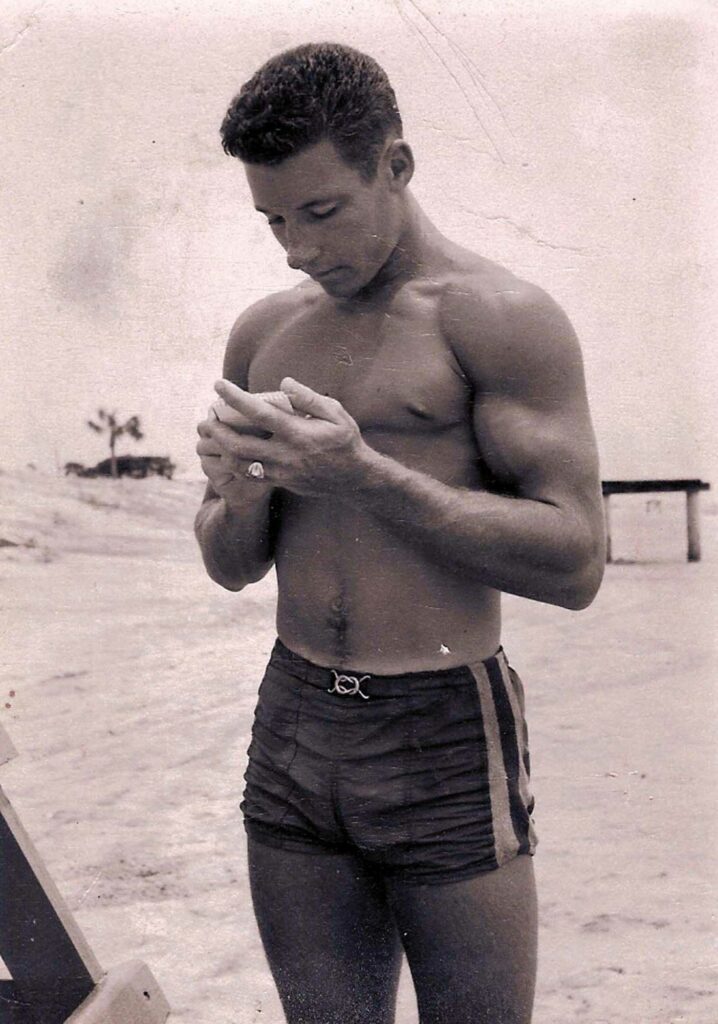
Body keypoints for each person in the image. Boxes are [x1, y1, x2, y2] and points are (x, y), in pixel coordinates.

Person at [195, 42, 605, 1024]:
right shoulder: (264, 333)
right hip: (292, 721)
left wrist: (364, 475)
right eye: (274, 220)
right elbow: (227, 563)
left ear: (397, 166)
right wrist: (243, 492)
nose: (298, 248)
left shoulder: (500, 318)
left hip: (441, 727)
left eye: (322, 211)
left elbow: (578, 558)